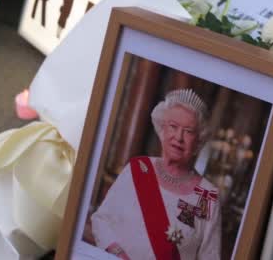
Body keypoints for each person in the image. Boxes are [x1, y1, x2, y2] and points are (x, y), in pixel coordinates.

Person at [91, 88, 221, 260]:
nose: (179, 137)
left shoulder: (207, 196)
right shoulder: (138, 168)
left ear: (199, 140)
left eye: (188, 131)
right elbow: (101, 220)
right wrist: (118, 253)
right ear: (162, 129)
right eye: (173, 127)